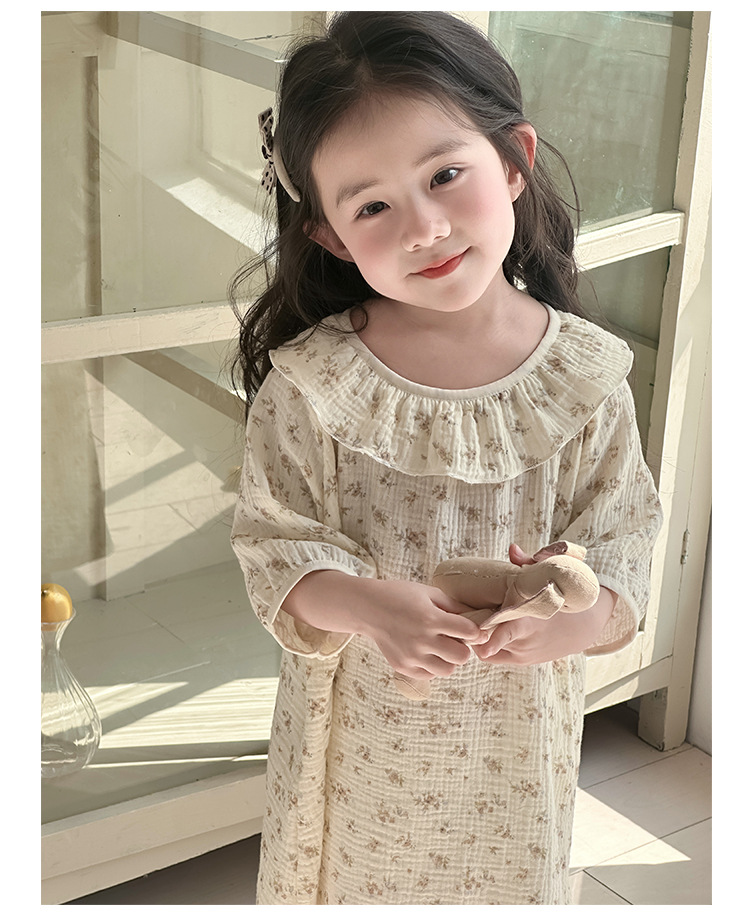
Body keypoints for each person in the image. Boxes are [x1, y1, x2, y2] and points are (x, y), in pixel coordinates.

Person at [230, 11, 662, 906]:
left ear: (513, 160)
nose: (423, 227)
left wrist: (576, 612)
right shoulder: (313, 386)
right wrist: (367, 603)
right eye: (372, 206)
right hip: (359, 755)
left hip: (515, 757)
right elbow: (272, 549)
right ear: (330, 234)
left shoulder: (586, 378)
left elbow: (624, 543)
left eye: (445, 175)